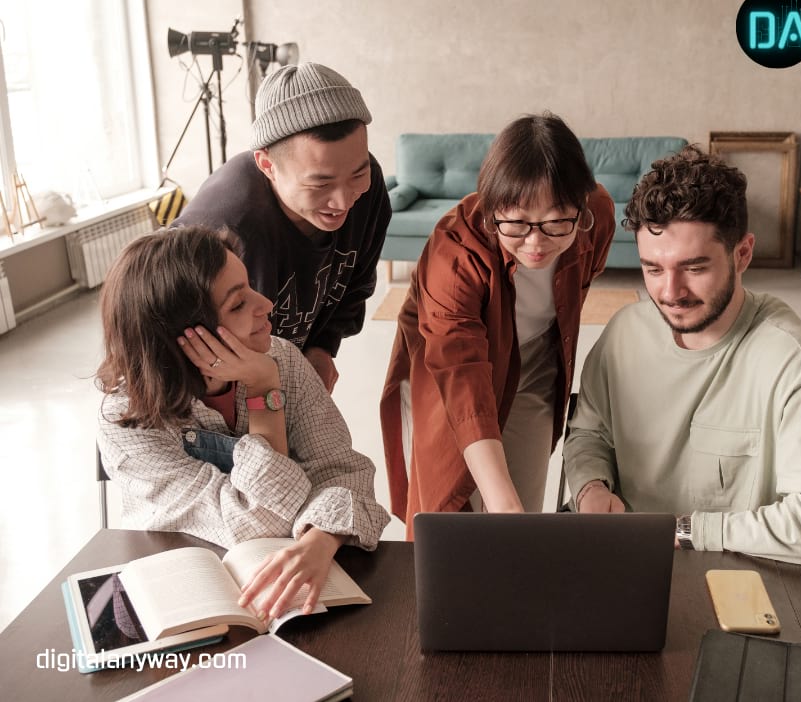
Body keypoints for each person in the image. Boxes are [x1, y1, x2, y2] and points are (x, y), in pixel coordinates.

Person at [564, 145, 801, 567]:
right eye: (653, 269)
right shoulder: (623, 334)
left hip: (734, 574)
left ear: (742, 254)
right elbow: (590, 434)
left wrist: (685, 531)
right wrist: (590, 489)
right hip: (623, 566)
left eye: (695, 268)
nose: (670, 293)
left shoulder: (792, 359)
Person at [96, 226, 390, 617]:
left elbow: (347, 474)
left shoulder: (282, 358)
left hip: (284, 583)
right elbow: (258, 522)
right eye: (238, 305)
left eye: (250, 285)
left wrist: (321, 540)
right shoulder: (125, 419)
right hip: (184, 592)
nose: (266, 303)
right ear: (183, 336)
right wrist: (264, 388)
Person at [380, 113, 616, 536]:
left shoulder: (596, 215)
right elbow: (460, 371)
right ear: (491, 210)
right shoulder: (454, 252)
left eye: (557, 221)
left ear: (580, 207)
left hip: (536, 363)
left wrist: (510, 507)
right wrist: (502, 502)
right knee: (446, 506)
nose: (537, 243)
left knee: (519, 502)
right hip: (445, 374)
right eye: (517, 223)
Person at [175, 63, 391, 392]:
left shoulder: (370, 189)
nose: (344, 200)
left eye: (357, 175)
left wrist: (322, 348)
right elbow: (145, 305)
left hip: (283, 375)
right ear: (267, 165)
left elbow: (356, 285)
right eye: (321, 184)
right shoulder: (224, 222)